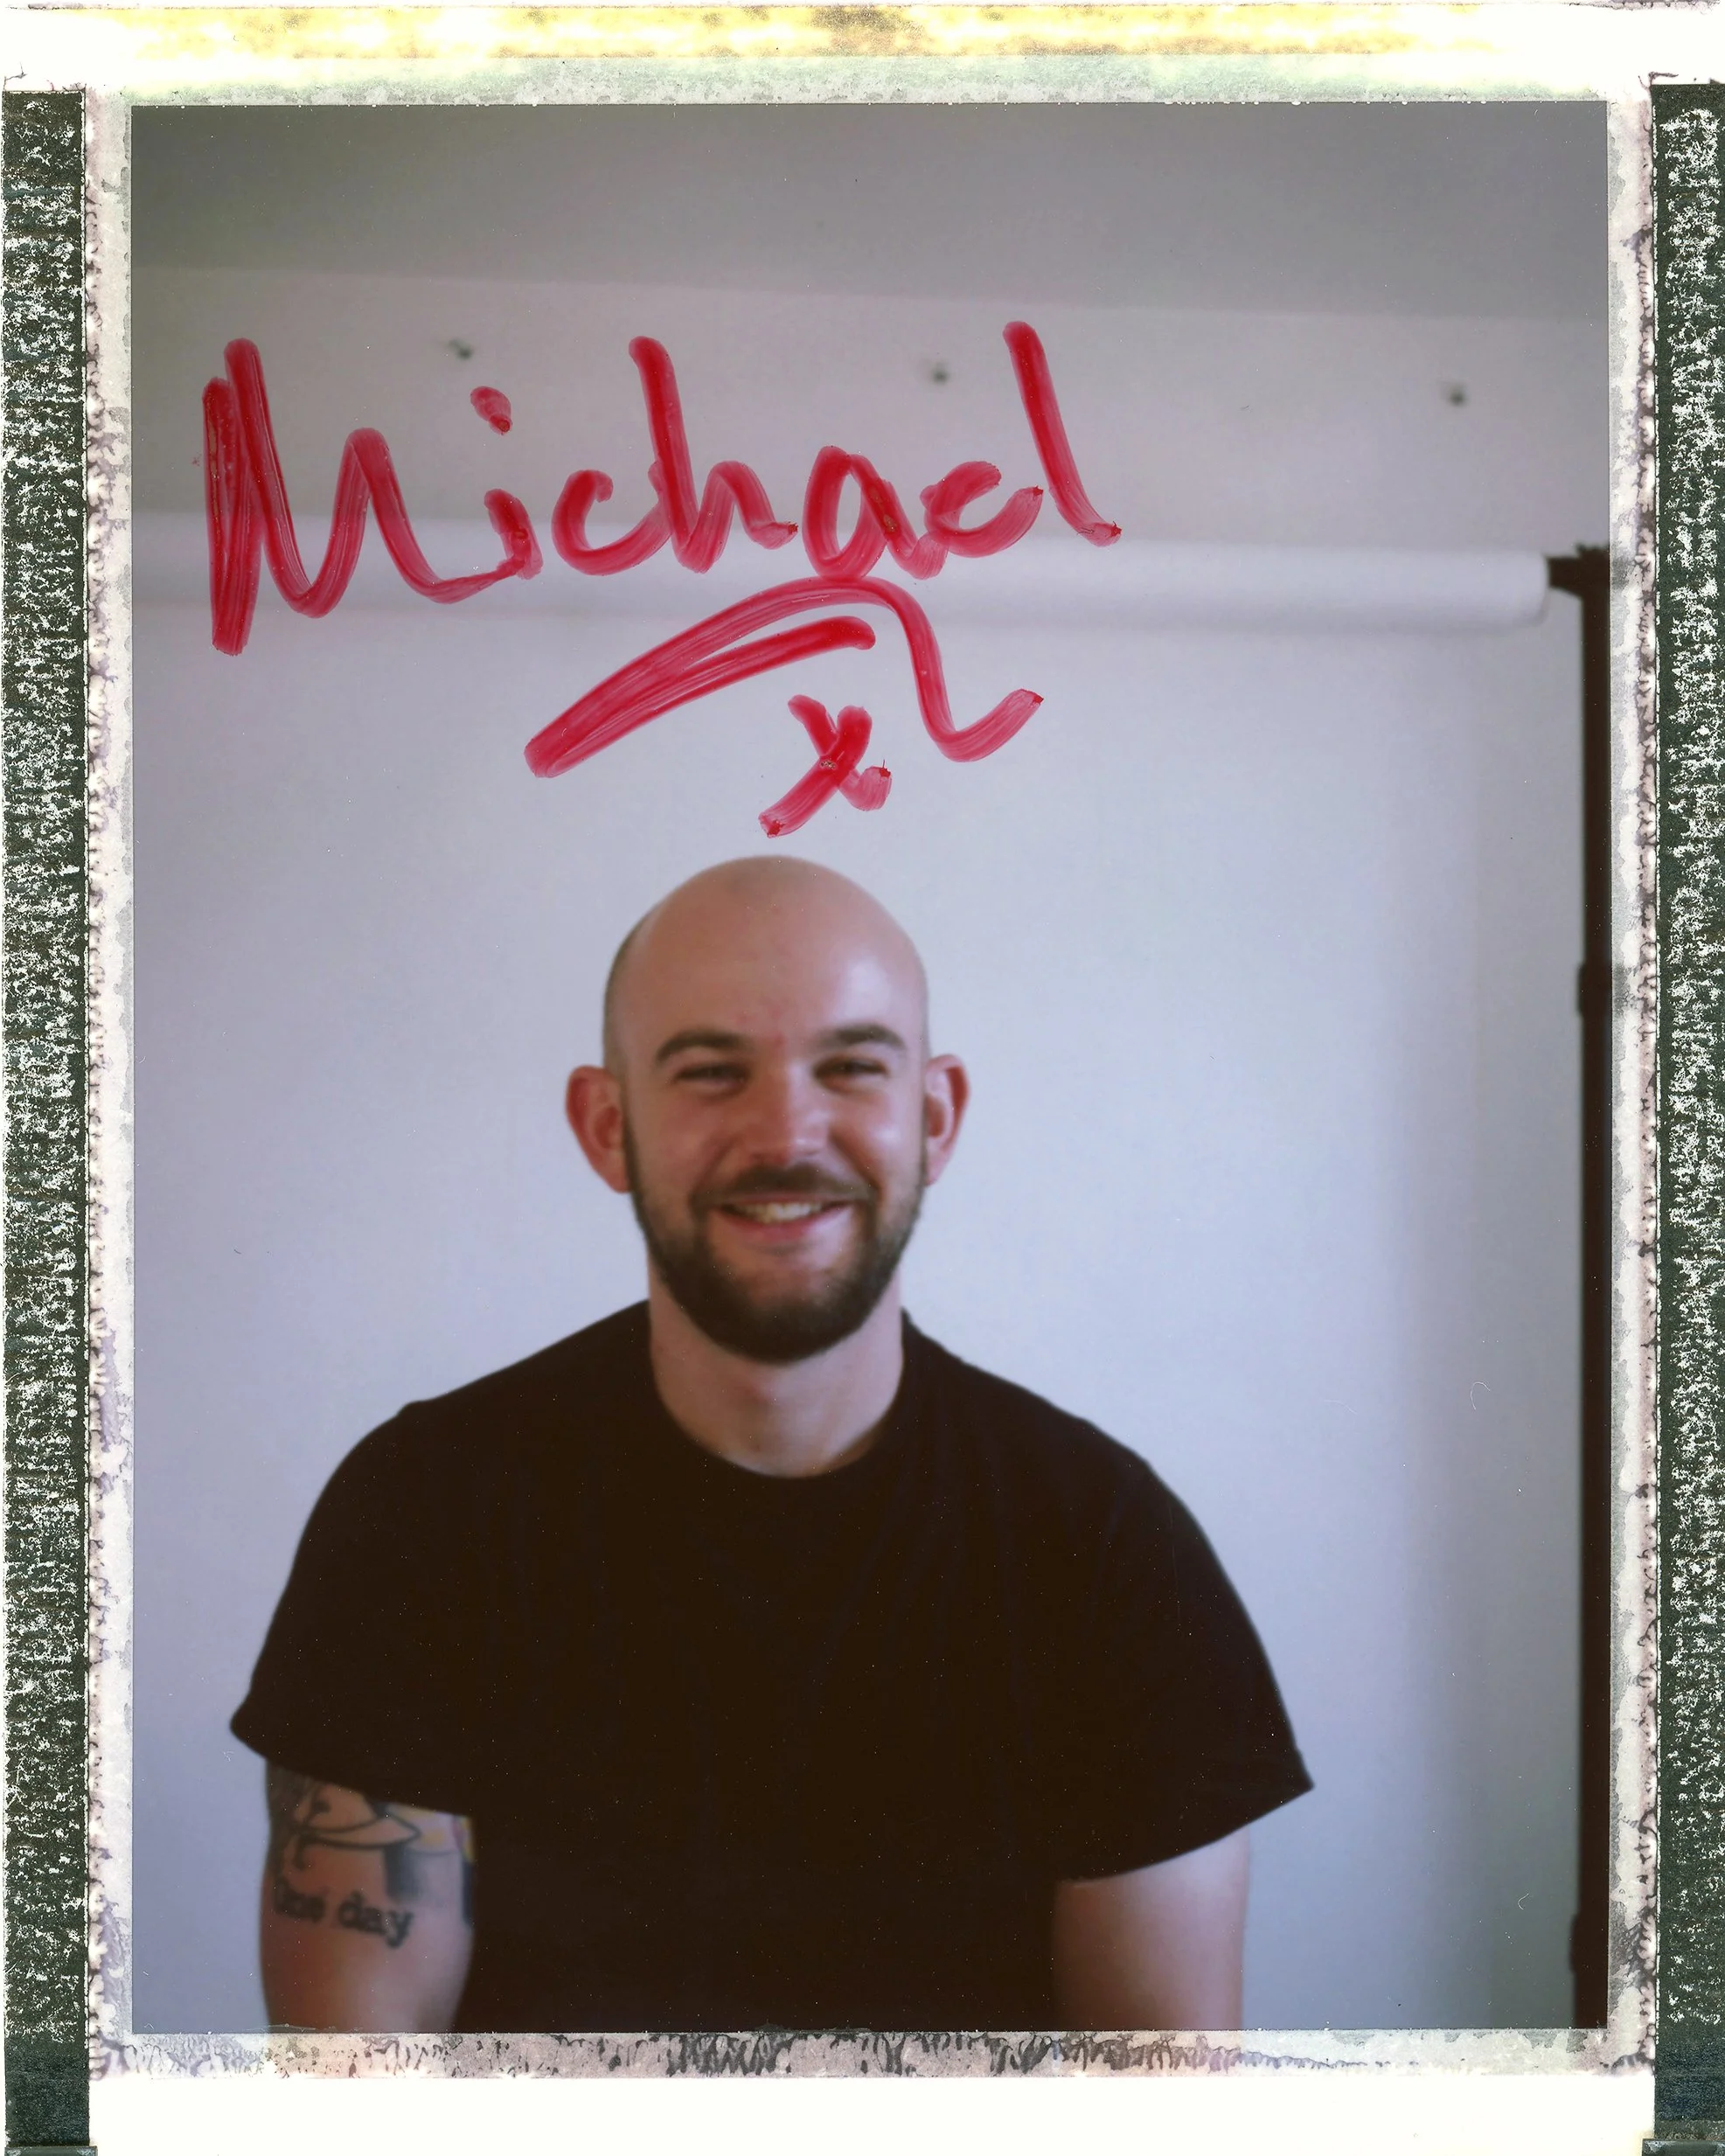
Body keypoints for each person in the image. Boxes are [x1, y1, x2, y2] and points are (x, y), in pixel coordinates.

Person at [232, 856, 1311, 2034]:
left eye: (851, 1067)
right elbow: (355, 2096)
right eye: (709, 1072)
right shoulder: (423, 1514)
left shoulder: (1109, 1550)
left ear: (934, 1117)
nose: (788, 1130)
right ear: (607, 1126)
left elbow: (1154, 2105)